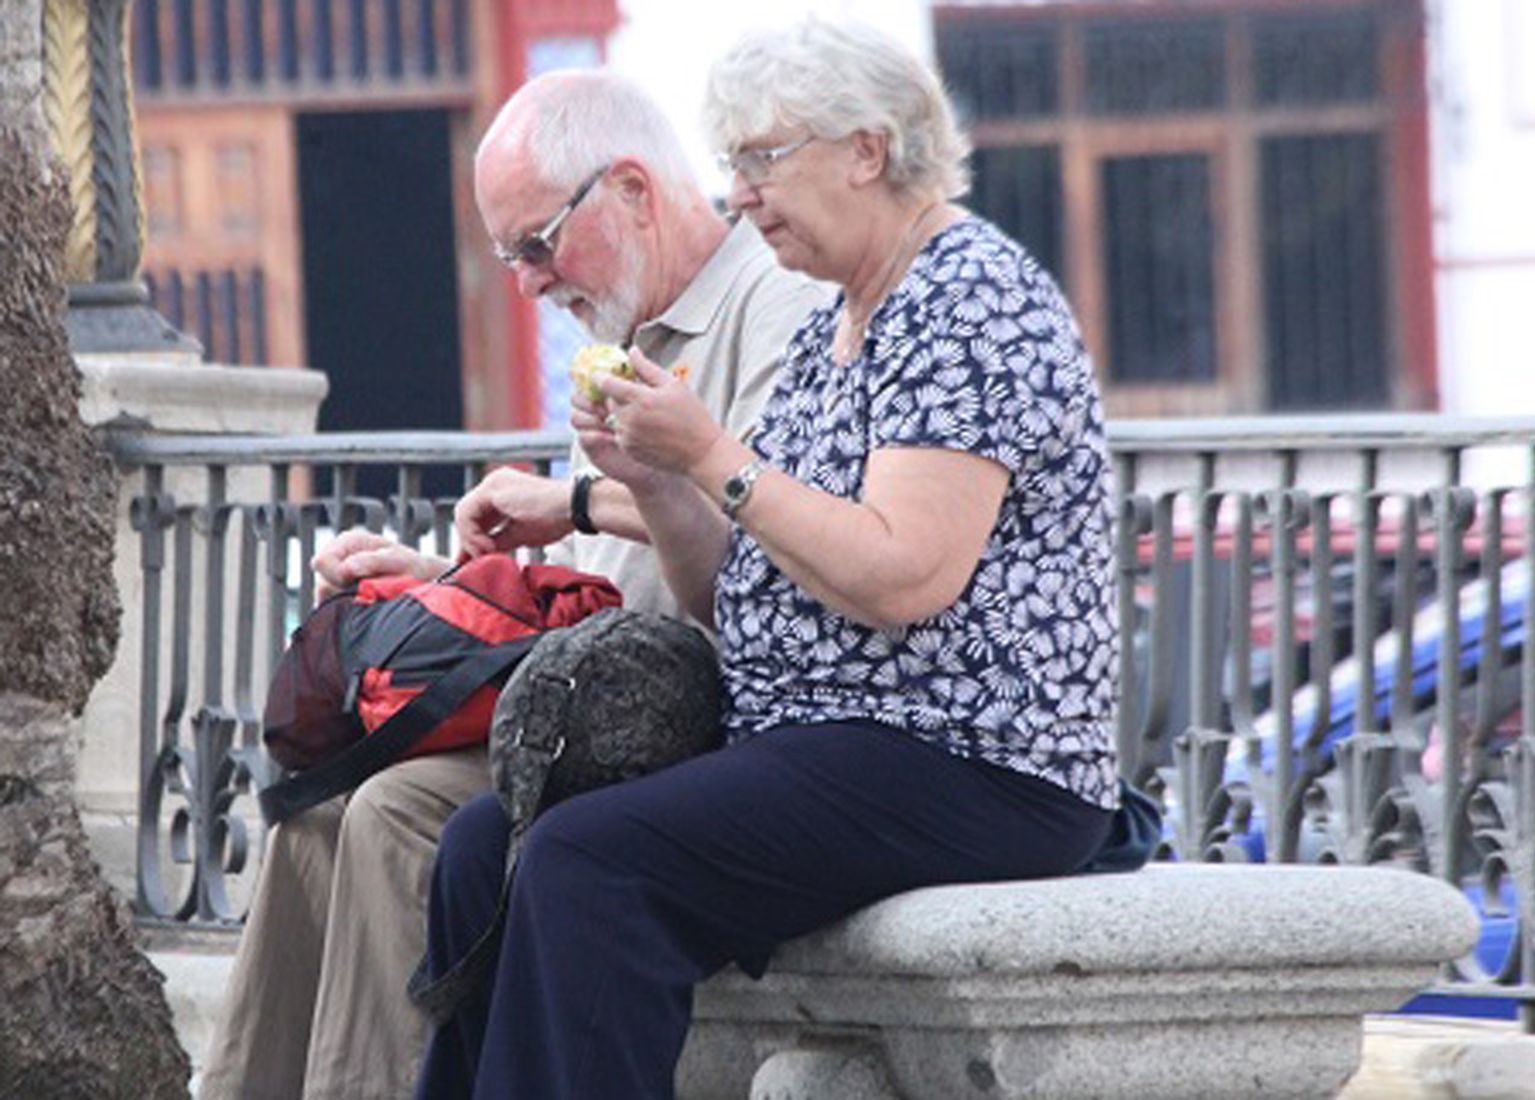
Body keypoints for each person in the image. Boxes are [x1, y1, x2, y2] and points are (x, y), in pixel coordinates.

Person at [417, 16, 1121, 1100]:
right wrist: (654, 476)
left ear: (866, 150)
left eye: (758, 160)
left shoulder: (966, 296)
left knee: (589, 866)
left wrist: (713, 454)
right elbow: (724, 587)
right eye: (732, 164)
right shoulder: (839, 318)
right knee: (486, 841)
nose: (738, 194)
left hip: (968, 753)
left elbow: (904, 576)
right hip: (829, 738)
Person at [197, 70, 827, 1100]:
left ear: (631, 188)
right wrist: (452, 581)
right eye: (509, 257)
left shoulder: (777, 307)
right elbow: (595, 583)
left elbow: (764, 526)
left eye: (537, 245)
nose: (528, 284)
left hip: (696, 716)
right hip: (584, 697)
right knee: (311, 805)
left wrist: (574, 503)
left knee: (396, 807)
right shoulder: (625, 336)